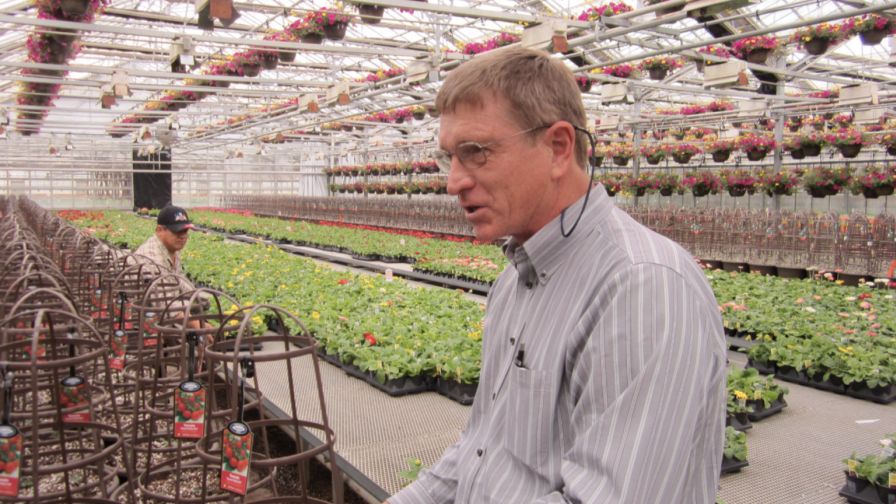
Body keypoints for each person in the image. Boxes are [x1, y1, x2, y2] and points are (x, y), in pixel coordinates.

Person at [386, 47, 726, 504]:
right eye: (449, 156)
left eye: (475, 153)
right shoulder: (515, 280)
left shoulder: (643, 287)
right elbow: (483, 448)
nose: (454, 182)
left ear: (558, 148)